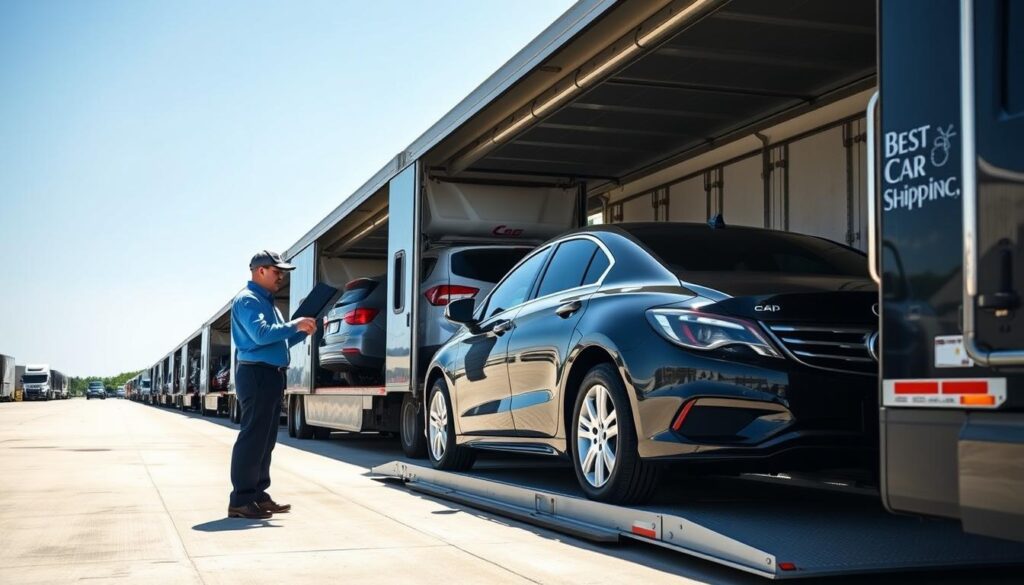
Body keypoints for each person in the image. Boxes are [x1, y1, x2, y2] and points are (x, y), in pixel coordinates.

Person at [227, 250, 317, 519]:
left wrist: (302, 330)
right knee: (253, 437)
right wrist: (294, 324)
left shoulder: (268, 304)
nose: (281, 277)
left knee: (266, 440)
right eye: (277, 271)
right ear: (260, 271)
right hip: (256, 374)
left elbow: (279, 340)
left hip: (271, 373)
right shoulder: (248, 300)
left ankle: (257, 495)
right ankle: (240, 500)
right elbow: (261, 334)